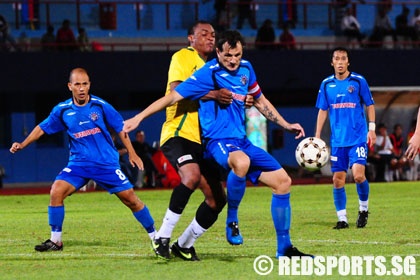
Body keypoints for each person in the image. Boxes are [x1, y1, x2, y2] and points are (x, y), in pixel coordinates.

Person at [124, 30, 313, 258]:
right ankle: (232, 220)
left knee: (283, 182)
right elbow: (172, 97)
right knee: (240, 163)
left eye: (237, 55)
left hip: (241, 141)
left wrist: (285, 123)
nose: (233, 61)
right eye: (228, 56)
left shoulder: (246, 68)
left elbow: (260, 100)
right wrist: (139, 117)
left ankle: (284, 248)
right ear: (218, 53)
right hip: (217, 142)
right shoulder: (208, 73)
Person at [9, 68, 156, 252]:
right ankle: (56, 241)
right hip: (79, 164)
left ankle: (156, 237)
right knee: (56, 191)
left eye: (85, 84)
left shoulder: (100, 105)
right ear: (70, 86)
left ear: (89, 85)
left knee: (131, 200)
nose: (81, 88)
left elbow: (120, 127)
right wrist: (23, 144)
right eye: (77, 84)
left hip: (105, 164)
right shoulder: (62, 110)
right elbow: (42, 128)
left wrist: (132, 152)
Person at [128, 21, 233, 261]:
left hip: (202, 141)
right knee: (191, 176)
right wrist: (214, 94)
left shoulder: (214, 67)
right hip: (178, 132)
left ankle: (184, 244)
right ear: (190, 38)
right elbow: (175, 89)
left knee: (217, 200)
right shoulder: (184, 56)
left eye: (213, 35)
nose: (210, 38)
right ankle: (162, 237)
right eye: (203, 34)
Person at [315, 47, 376, 230]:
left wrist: (371, 129)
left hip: (357, 138)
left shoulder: (358, 81)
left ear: (348, 62)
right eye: (337, 59)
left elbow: (370, 105)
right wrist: (317, 136)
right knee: (337, 180)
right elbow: (322, 110)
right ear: (332, 62)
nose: (340, 62)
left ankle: (363, 209)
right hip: (338, 141)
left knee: (358, 176)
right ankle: (342, 219)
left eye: (343, 59)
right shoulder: (326, 84)